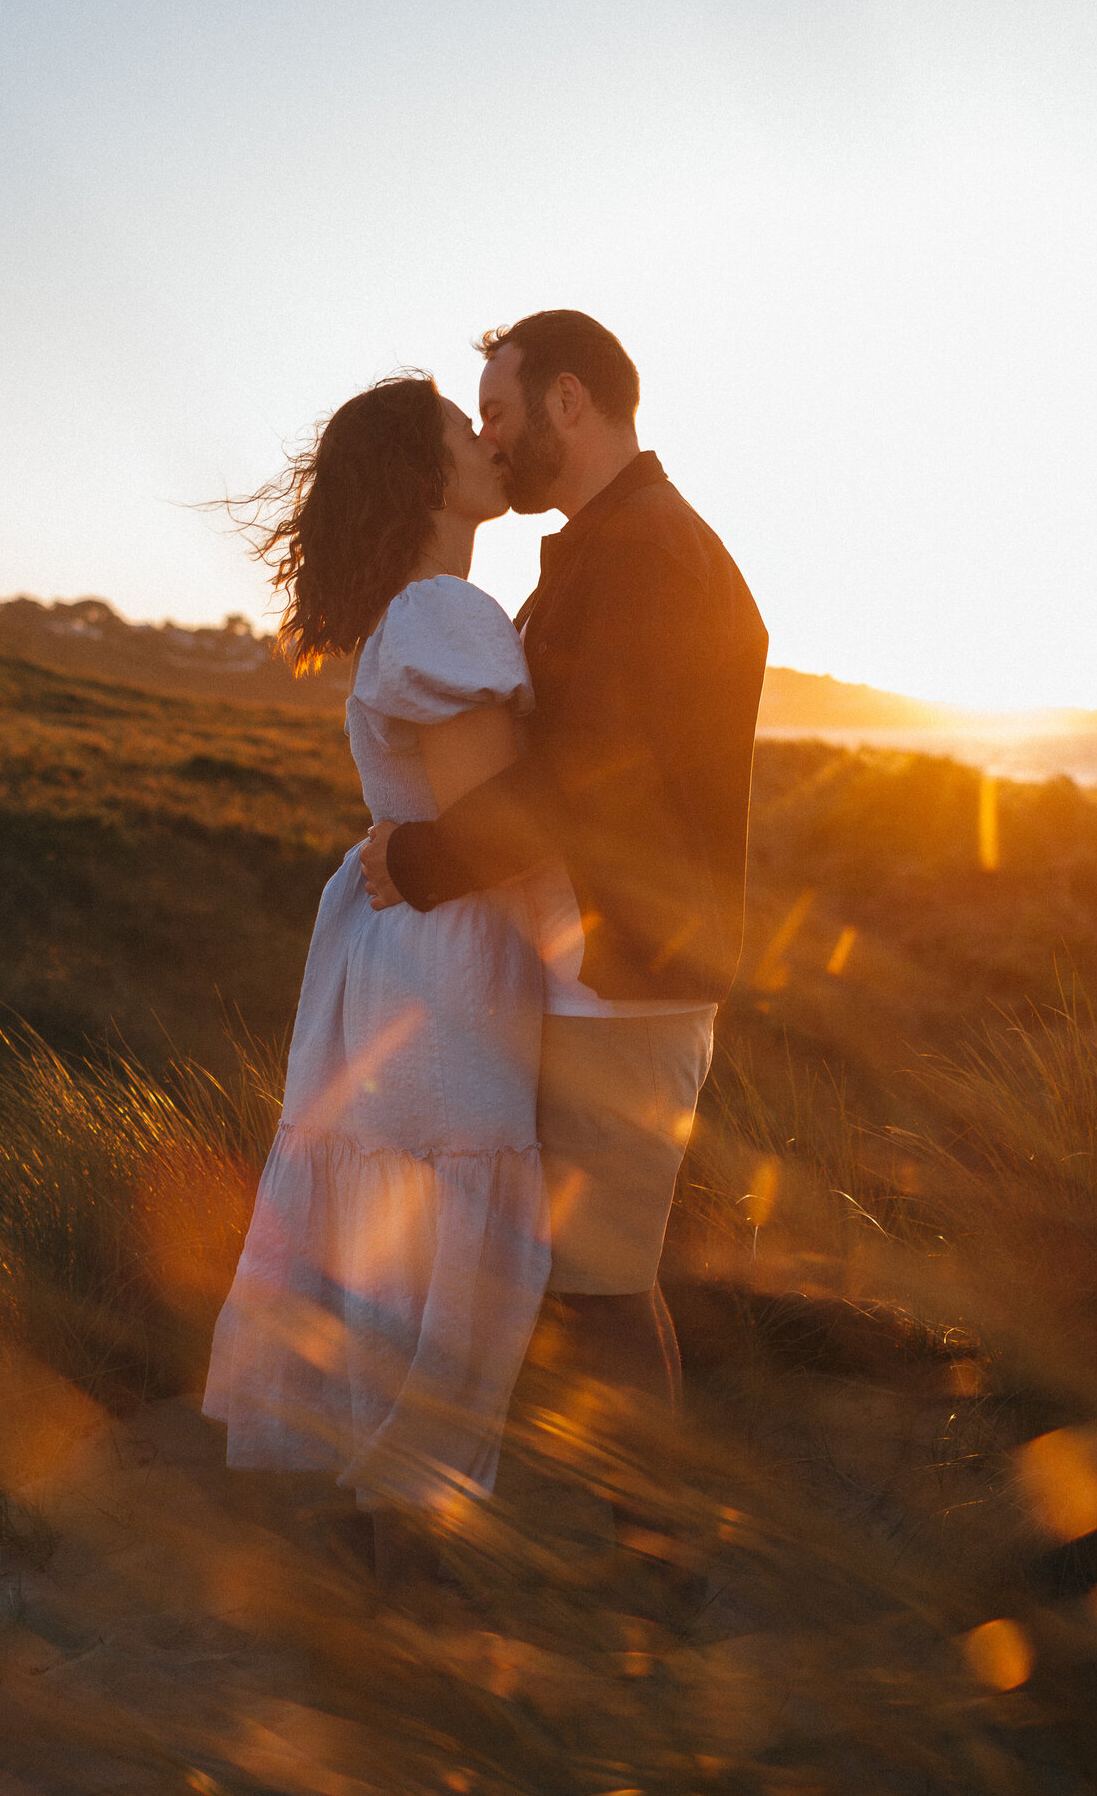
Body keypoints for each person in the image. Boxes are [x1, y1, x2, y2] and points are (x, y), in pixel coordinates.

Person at [361, 311, 768, 1442]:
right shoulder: (612, 548)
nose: (492, 438)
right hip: (600, 971)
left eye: (500, 410)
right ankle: (627, 1548)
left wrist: (421, 860)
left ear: (570, 403)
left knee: (602, 1290)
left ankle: (657, 1570)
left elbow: (584, 784)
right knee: (589, 1278)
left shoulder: (646, 555)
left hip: (627, 978)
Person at [203, 375, 551, 1598]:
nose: (489, 438)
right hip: (452, 961)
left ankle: (380, 1558)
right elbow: (498, 821)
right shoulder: (444, 612)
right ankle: (411, 1577)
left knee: (399, 1255)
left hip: (403, 956)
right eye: (467, 428)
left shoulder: (414, 615)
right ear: (426, 475)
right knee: (439, 1258)